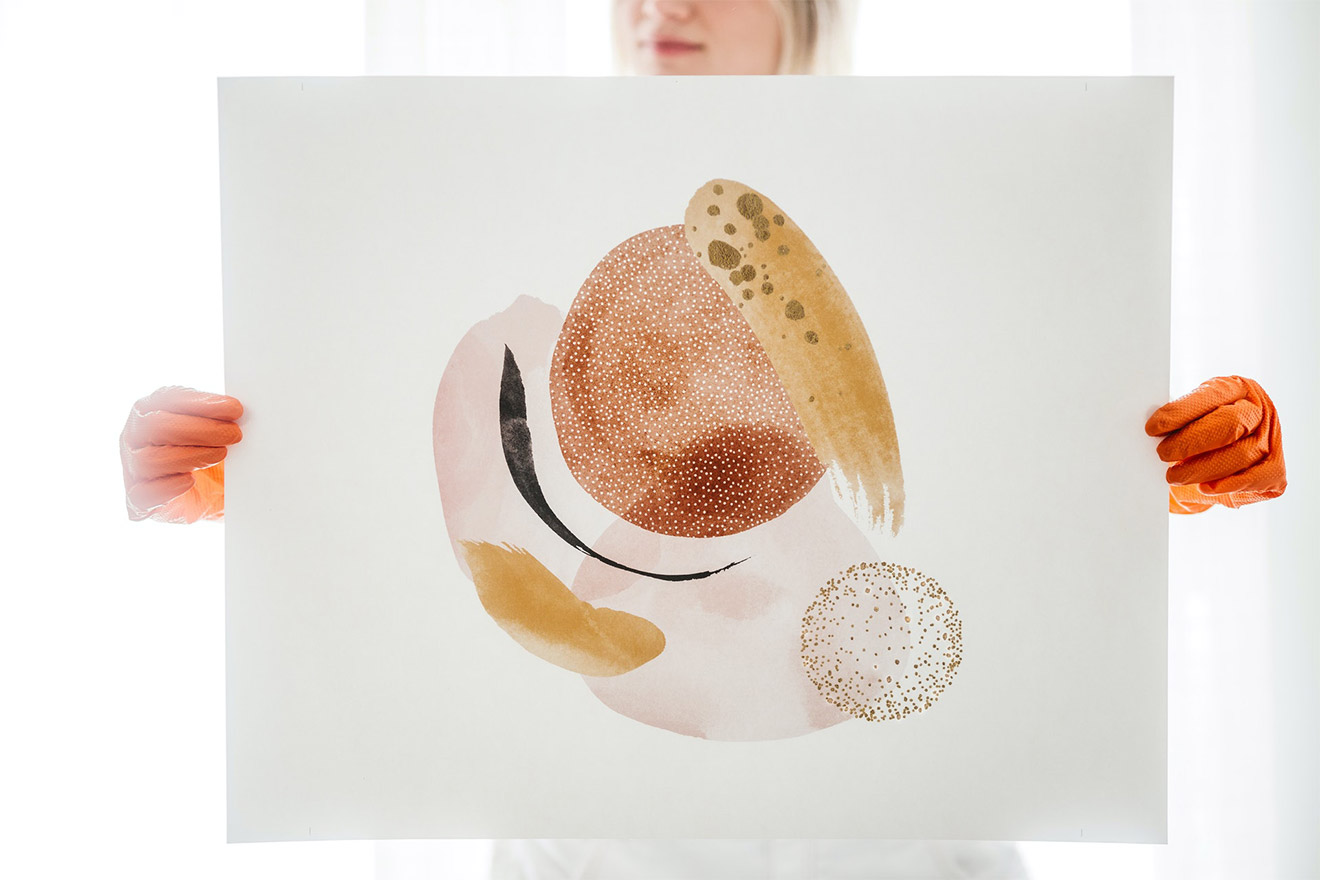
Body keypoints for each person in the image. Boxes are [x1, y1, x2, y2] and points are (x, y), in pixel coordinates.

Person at [119, 1, 1288, 878]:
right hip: (591, 843)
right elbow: (416, 540)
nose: (660, 3)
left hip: (909, 840)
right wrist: (271, 475)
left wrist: (1155, 471)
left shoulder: (959, 224)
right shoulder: (491, 224)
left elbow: (1013, 511)